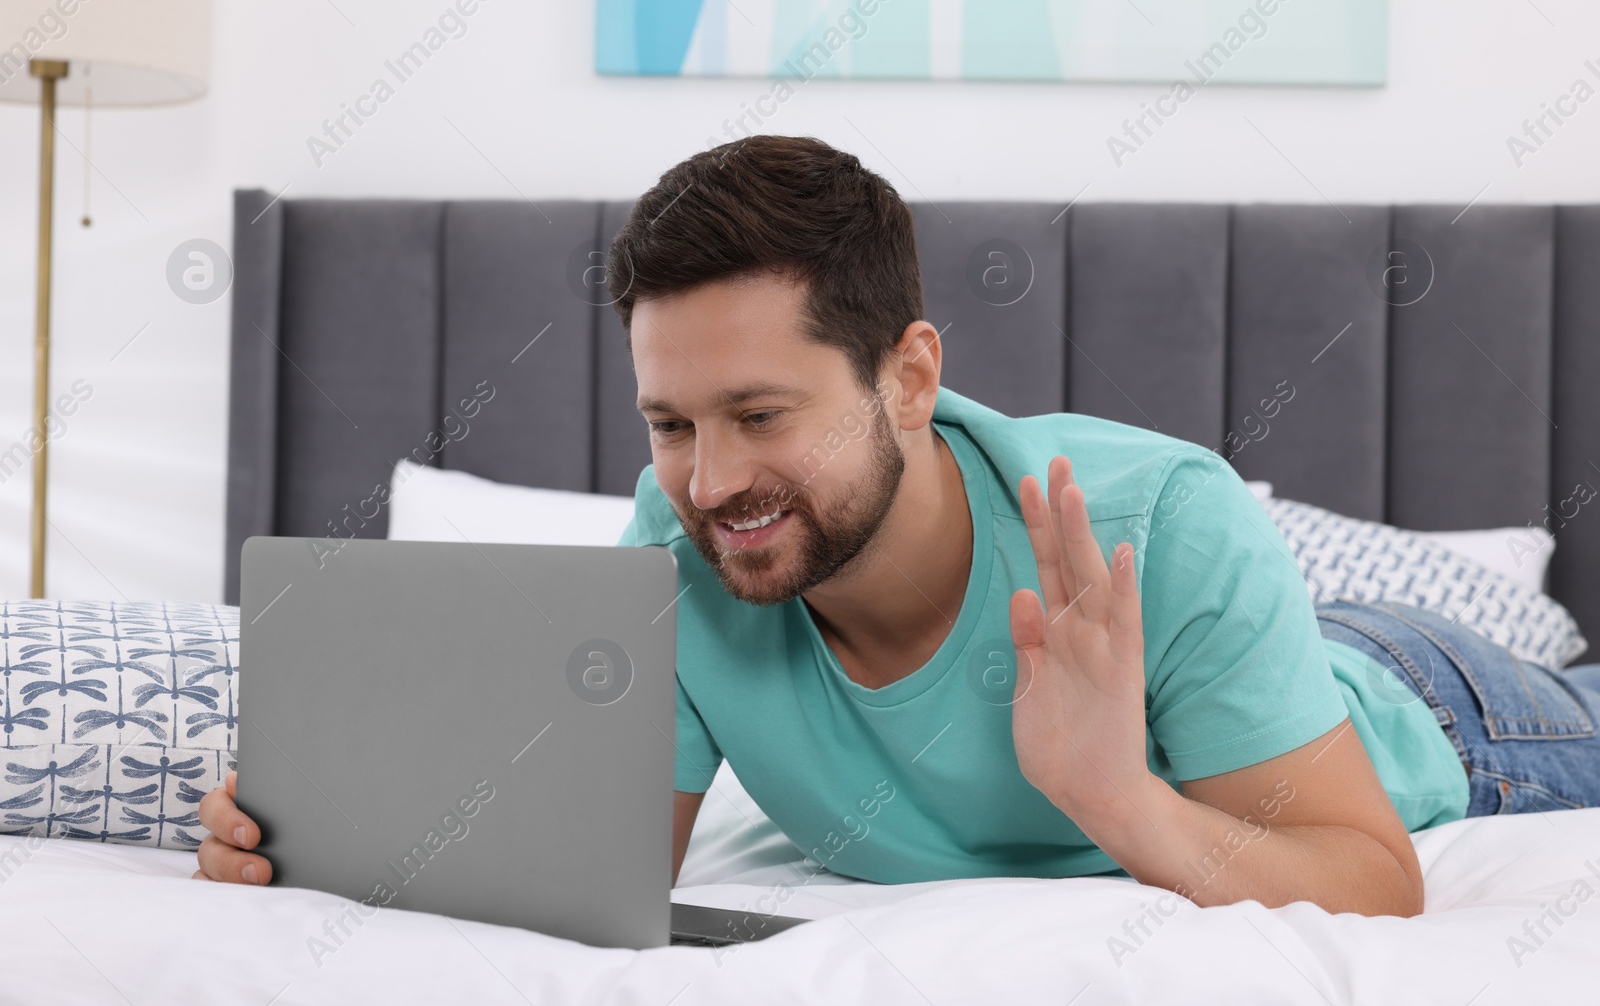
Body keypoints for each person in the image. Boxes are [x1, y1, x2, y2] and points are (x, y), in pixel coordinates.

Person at [197, 135, 1600, 916]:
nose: (708, 479)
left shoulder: (1164, 521)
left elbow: (1374, 880)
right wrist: (320, 850)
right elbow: (611, 871)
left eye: (761, 412)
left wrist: (1114, 797)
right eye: (671, 424)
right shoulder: (670, 547)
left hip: (1436, 704)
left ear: (911, 376)